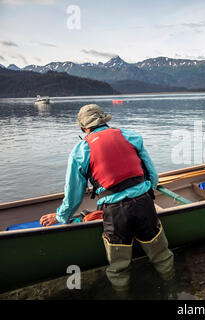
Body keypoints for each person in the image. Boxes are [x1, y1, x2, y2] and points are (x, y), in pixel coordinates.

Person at [39, 104, 174, 294]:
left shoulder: (80, 151)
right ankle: (171, 291)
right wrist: (147, 193)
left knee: (118, 268)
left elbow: (74, 195)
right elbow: (152, 175)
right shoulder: (131, 136)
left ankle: (123, 296)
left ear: (83, 128)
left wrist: (61, 217)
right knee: (162, 256)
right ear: (105, 121)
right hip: (143, 205)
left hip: (115, 213)